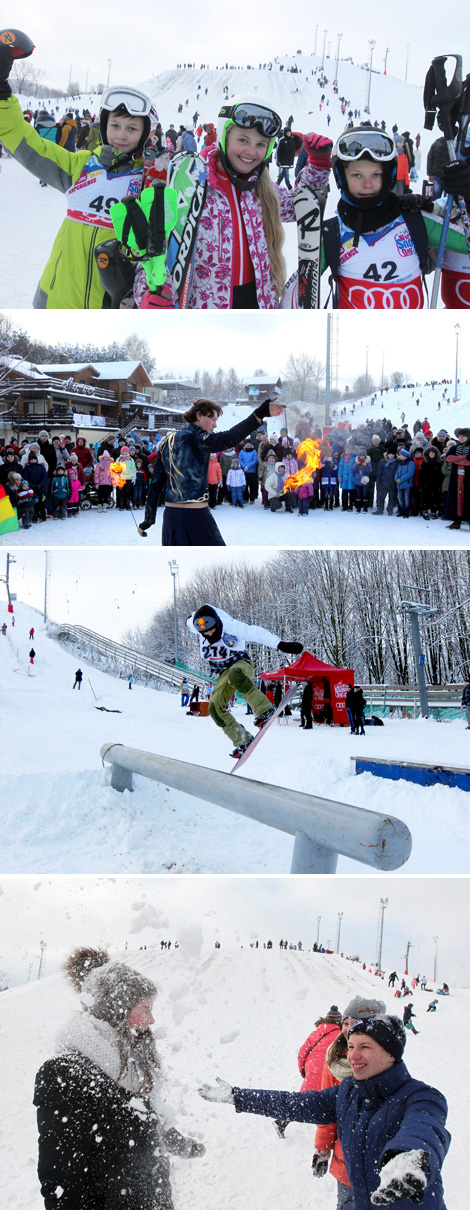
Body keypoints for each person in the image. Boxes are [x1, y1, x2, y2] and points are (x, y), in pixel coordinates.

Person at [199, 1014, 450, 1209]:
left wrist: (410, 1157)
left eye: (365, 1047)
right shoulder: (348, 1091)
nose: (353, 1055)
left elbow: (424, 1129)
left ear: (391, 1054)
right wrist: (240, 1097)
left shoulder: (422, 1096)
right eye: (350, 1046)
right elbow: (294, 1104)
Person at [34, 946, 205, 1210]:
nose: (151, 1019)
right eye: (145, 1008)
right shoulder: (66, 1073)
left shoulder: (133, 1069)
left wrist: (180, 1144)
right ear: (116, 1008)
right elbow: (62, 1177)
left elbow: (147, 1124)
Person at [0, 40, 158, 308]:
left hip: (108, 304)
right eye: (116, 125)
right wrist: (2, 96)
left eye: (132, 129)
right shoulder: (80, 166)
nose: (121, 134)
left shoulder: (149, 181)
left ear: (146, 134)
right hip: (56, 296)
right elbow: (27, 144)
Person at [134, 96, 332, 309]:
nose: (251, 152)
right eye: (243, 140)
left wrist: (318, 166)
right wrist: (148, 294)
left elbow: (301, 207)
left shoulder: (263, 190)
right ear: (224, 136)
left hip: (259, 306)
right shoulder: (189, 185)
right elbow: (153, 254)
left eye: (261, 144)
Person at [320, 126, 469, 309]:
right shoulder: (331, 235)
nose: (367, 184)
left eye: (376, 175)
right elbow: (296, 292)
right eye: (357, 175)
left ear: (388, 176)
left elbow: (466, 242)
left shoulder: (415, 221)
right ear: (341, 178)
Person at [138, 395, 283, 546]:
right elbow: (228, 438)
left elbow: (155, 484)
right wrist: (259, 414)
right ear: (199, 416)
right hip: (196, 517)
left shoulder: (165, 443)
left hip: (171, 518)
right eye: (212, 419)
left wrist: (148, 521)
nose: (214, 425)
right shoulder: (198, 438)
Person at [186, 603, 303, 758]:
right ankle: (242, 740)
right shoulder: (196, 626)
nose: (208, 634)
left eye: (211, 630)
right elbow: (190, 620)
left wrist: (279, 644)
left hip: (241, 664)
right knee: (215, 708)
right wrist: (189, 618)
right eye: (204, 633)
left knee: (235, 675)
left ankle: (264, 710)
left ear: (217, 622)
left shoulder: (231, 627)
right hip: (223, 672)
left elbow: (255, 633)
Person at [312, 994, 386, 1209]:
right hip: (346, 1159)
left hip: (379, 1162)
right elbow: (327, 1112)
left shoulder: (388, 1064)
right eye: (345, 1023)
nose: (348, 1029)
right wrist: (322, 1149)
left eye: (356, 1024)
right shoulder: (334, 1062)